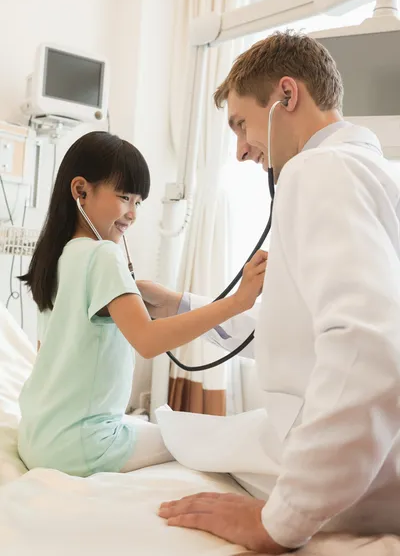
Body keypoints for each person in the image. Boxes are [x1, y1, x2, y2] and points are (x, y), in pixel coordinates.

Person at [138, 31, 400, 553]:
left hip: (349, 483)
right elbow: (299, 334)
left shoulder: (318, 170)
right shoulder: (378, 174)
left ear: (287, 95)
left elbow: (366, 345)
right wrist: (183, 306)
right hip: (372, 466)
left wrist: (280, 520)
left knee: (171, 432)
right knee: (180, 432)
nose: (238, 151)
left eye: (240, 124)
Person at [17, 131, 267, 478]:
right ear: (80, 191)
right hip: (80, 448)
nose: (132, 214)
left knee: (163, 426)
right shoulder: (103, 255)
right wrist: (238, 302)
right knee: (202, 436)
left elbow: (48, 352)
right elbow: (148, 340)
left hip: (37, 437)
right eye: (124, 198)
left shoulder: (55, 259)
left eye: (138, 202)